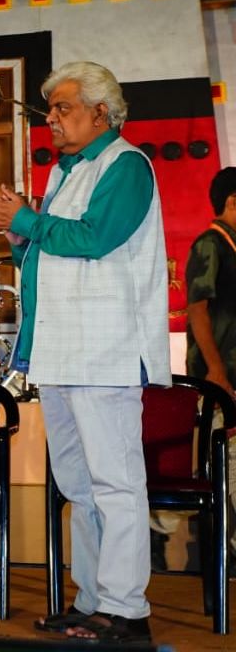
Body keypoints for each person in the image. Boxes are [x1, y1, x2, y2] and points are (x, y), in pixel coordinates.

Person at [0, 61, 170, 645]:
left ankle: (128, 611)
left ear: (100, 112)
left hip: (105, 350)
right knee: (79, 486)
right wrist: (21, 236)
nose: (52, 120)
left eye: (62, 108)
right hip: (63, 351)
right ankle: (93, 601)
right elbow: (49, 254)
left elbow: (95, 238)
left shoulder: (126, 165)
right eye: (51, 110)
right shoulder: (66, 171)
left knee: (115, 483)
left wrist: (27, 220)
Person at [184, 167, 236, 567]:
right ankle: (210, 547)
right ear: (232, 201)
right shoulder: (210, 244)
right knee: (222, 462)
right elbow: (198, 309)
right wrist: (216, 370)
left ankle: (218, 546)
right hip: (218, 376)